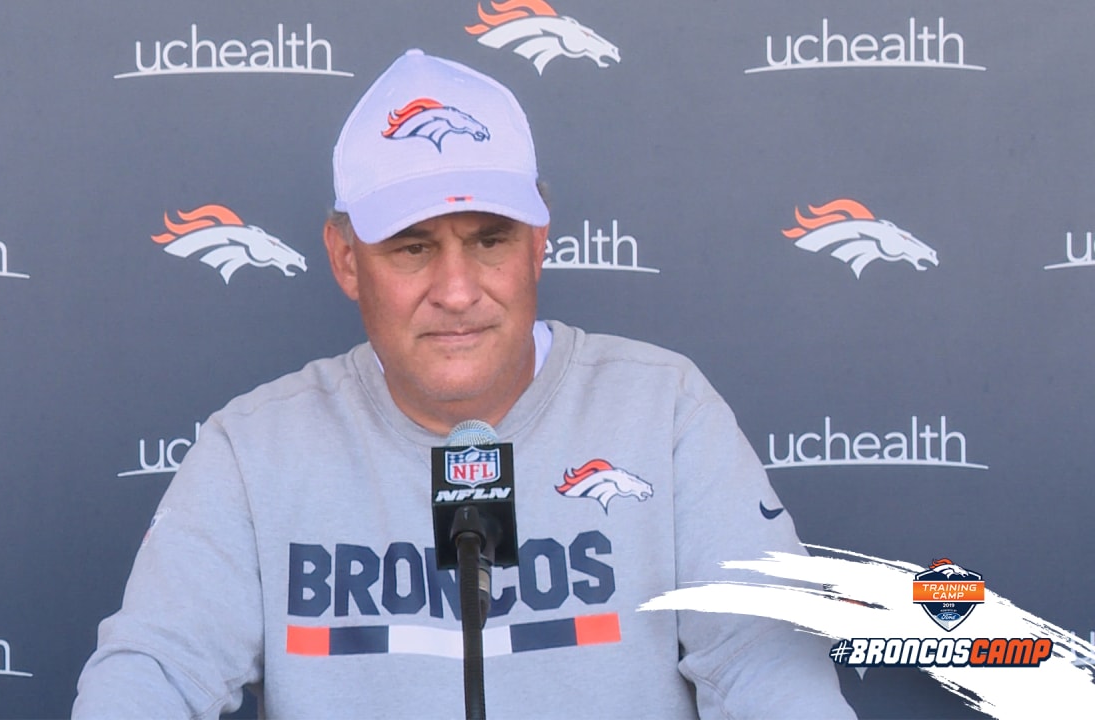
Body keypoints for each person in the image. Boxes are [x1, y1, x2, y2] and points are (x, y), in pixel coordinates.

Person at [73, 49, 856, 719]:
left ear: (539, 243)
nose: (456, 290)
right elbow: (155, 671)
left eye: (489, 240)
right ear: (347, 259)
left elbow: (764, 660)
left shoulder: (663, 408)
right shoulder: (254, 449)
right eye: (412, 249)